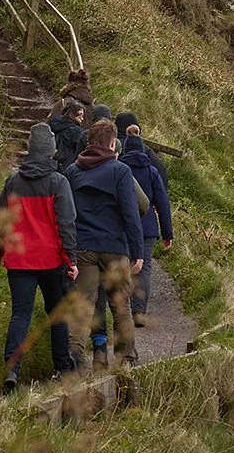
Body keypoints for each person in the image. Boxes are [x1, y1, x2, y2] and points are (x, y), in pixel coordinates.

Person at [0, 123, 79, 392]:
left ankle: (11, 371)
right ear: (51, 151)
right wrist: (71, 260)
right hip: (51, 261)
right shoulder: (58, 182)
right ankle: (63, 369)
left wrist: (2, 250)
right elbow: (66, 223)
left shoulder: (13, 182)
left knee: (20, 315)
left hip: (19, 261)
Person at [66, 119, 145, 367]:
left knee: (83, 306)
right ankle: (126, 361)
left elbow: (67, 213)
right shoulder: (120, 171)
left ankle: (73, 361)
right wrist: (137, 252)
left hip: (84, 247)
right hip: (114, 247)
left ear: (90, 141)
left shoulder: (72, 171)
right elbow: (131, 213)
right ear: (112, 143)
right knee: (121, 306)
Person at [119, 127, 172, 327]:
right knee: (144, 269)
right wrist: (167, 233)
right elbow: (163, 203)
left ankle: (121, 309)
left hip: (123, 225)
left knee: (123, 266)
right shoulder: (152, 171)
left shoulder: (119, 168)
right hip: (147, 227)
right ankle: (139, 311)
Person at [46, 98, 87, 175]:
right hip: (69, 166)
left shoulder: (52, 124)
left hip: (52, 163)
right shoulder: (76, 131)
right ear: (72, 114)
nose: (82, 118)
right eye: (79, 115)